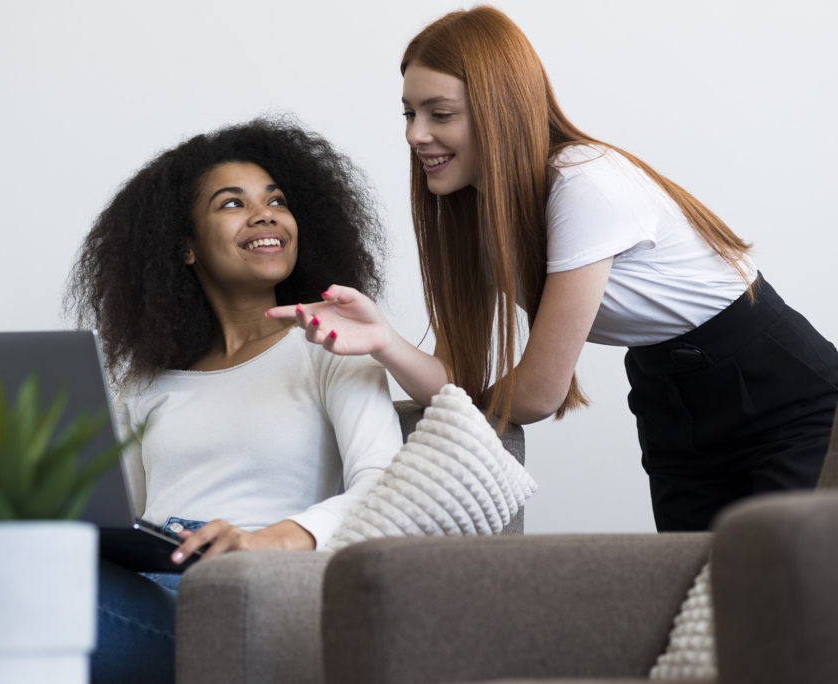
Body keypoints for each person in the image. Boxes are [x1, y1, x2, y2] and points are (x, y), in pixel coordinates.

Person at [0, 118, 403, 683]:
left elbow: (386, 484)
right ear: (185, 250)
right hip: (149, 587)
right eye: (232, 204)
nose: (264, 214)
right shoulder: (147, 382)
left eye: (275, 200)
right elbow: (114, 520)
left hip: (241, 599)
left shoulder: (332, 346)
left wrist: (275, 536)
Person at [268, 6, 838, 533]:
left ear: (501, 110)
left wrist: (469, 399)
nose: (416, 134)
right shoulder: (479, 214)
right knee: (706, 606)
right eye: (409, 113)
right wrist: (383, 341)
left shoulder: (582, 182)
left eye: (439, 114)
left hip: (779, 392)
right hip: (670, 397)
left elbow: (537, 394)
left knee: (790, 605)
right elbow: (461, 387)